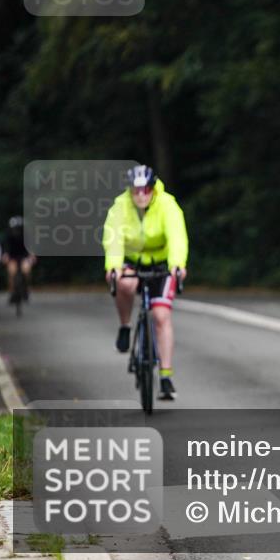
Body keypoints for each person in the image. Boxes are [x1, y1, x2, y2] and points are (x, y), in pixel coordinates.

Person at [102, 165, 188, 400]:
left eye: (146, 190)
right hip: (131, 260)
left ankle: (166, 376)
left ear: (153, 189)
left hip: (161, 263)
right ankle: (125, 325)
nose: (141, 195)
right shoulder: (120, 206)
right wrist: (113, 267)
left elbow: (177, 236)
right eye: (136, 190)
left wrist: (177, 264)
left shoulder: (167, 204)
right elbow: (113, 239)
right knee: (124, 283)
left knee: (161, 316)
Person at [2, 216, 36, 304]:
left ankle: (26, 290)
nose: (17, 230)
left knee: (26, 270)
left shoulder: (26, 236)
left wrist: (32, 255)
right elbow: (6, 249)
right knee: (11, 272)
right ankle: (12, 292)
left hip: (24, 256)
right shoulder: (8, 236)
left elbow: (30, 248)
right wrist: (5, 256)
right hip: (12, 257)